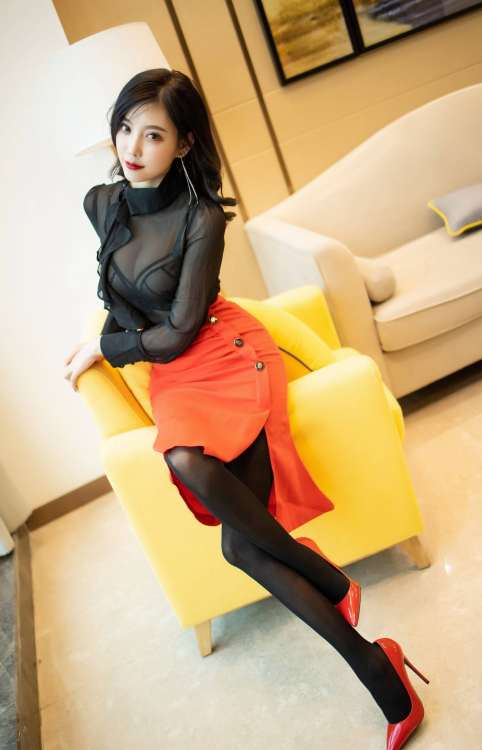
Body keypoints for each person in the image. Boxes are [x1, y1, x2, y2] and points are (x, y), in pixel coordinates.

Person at [63, 68, 429, 749]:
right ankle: (378, 663)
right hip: (176, 377)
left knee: (190, 469)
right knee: (239, 546)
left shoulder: (202, 218)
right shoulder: (101, 202)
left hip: (227, 357)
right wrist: (104, 341)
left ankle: (347, 614)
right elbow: (124, 297)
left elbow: (179, 331)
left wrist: (106, 348)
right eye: (125, 128)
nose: (133, 147)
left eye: (153, 134)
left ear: (184, 143)